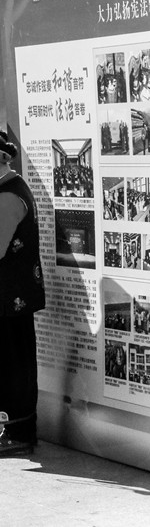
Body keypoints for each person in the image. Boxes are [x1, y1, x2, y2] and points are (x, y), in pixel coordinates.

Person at [0, 131, 46, 457]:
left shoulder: (7, 197)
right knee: (15, 363)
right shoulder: (11, 188)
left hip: (8, 298)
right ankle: (16, 429)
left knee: (12, 366)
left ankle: (16, 431)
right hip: (12, 297)